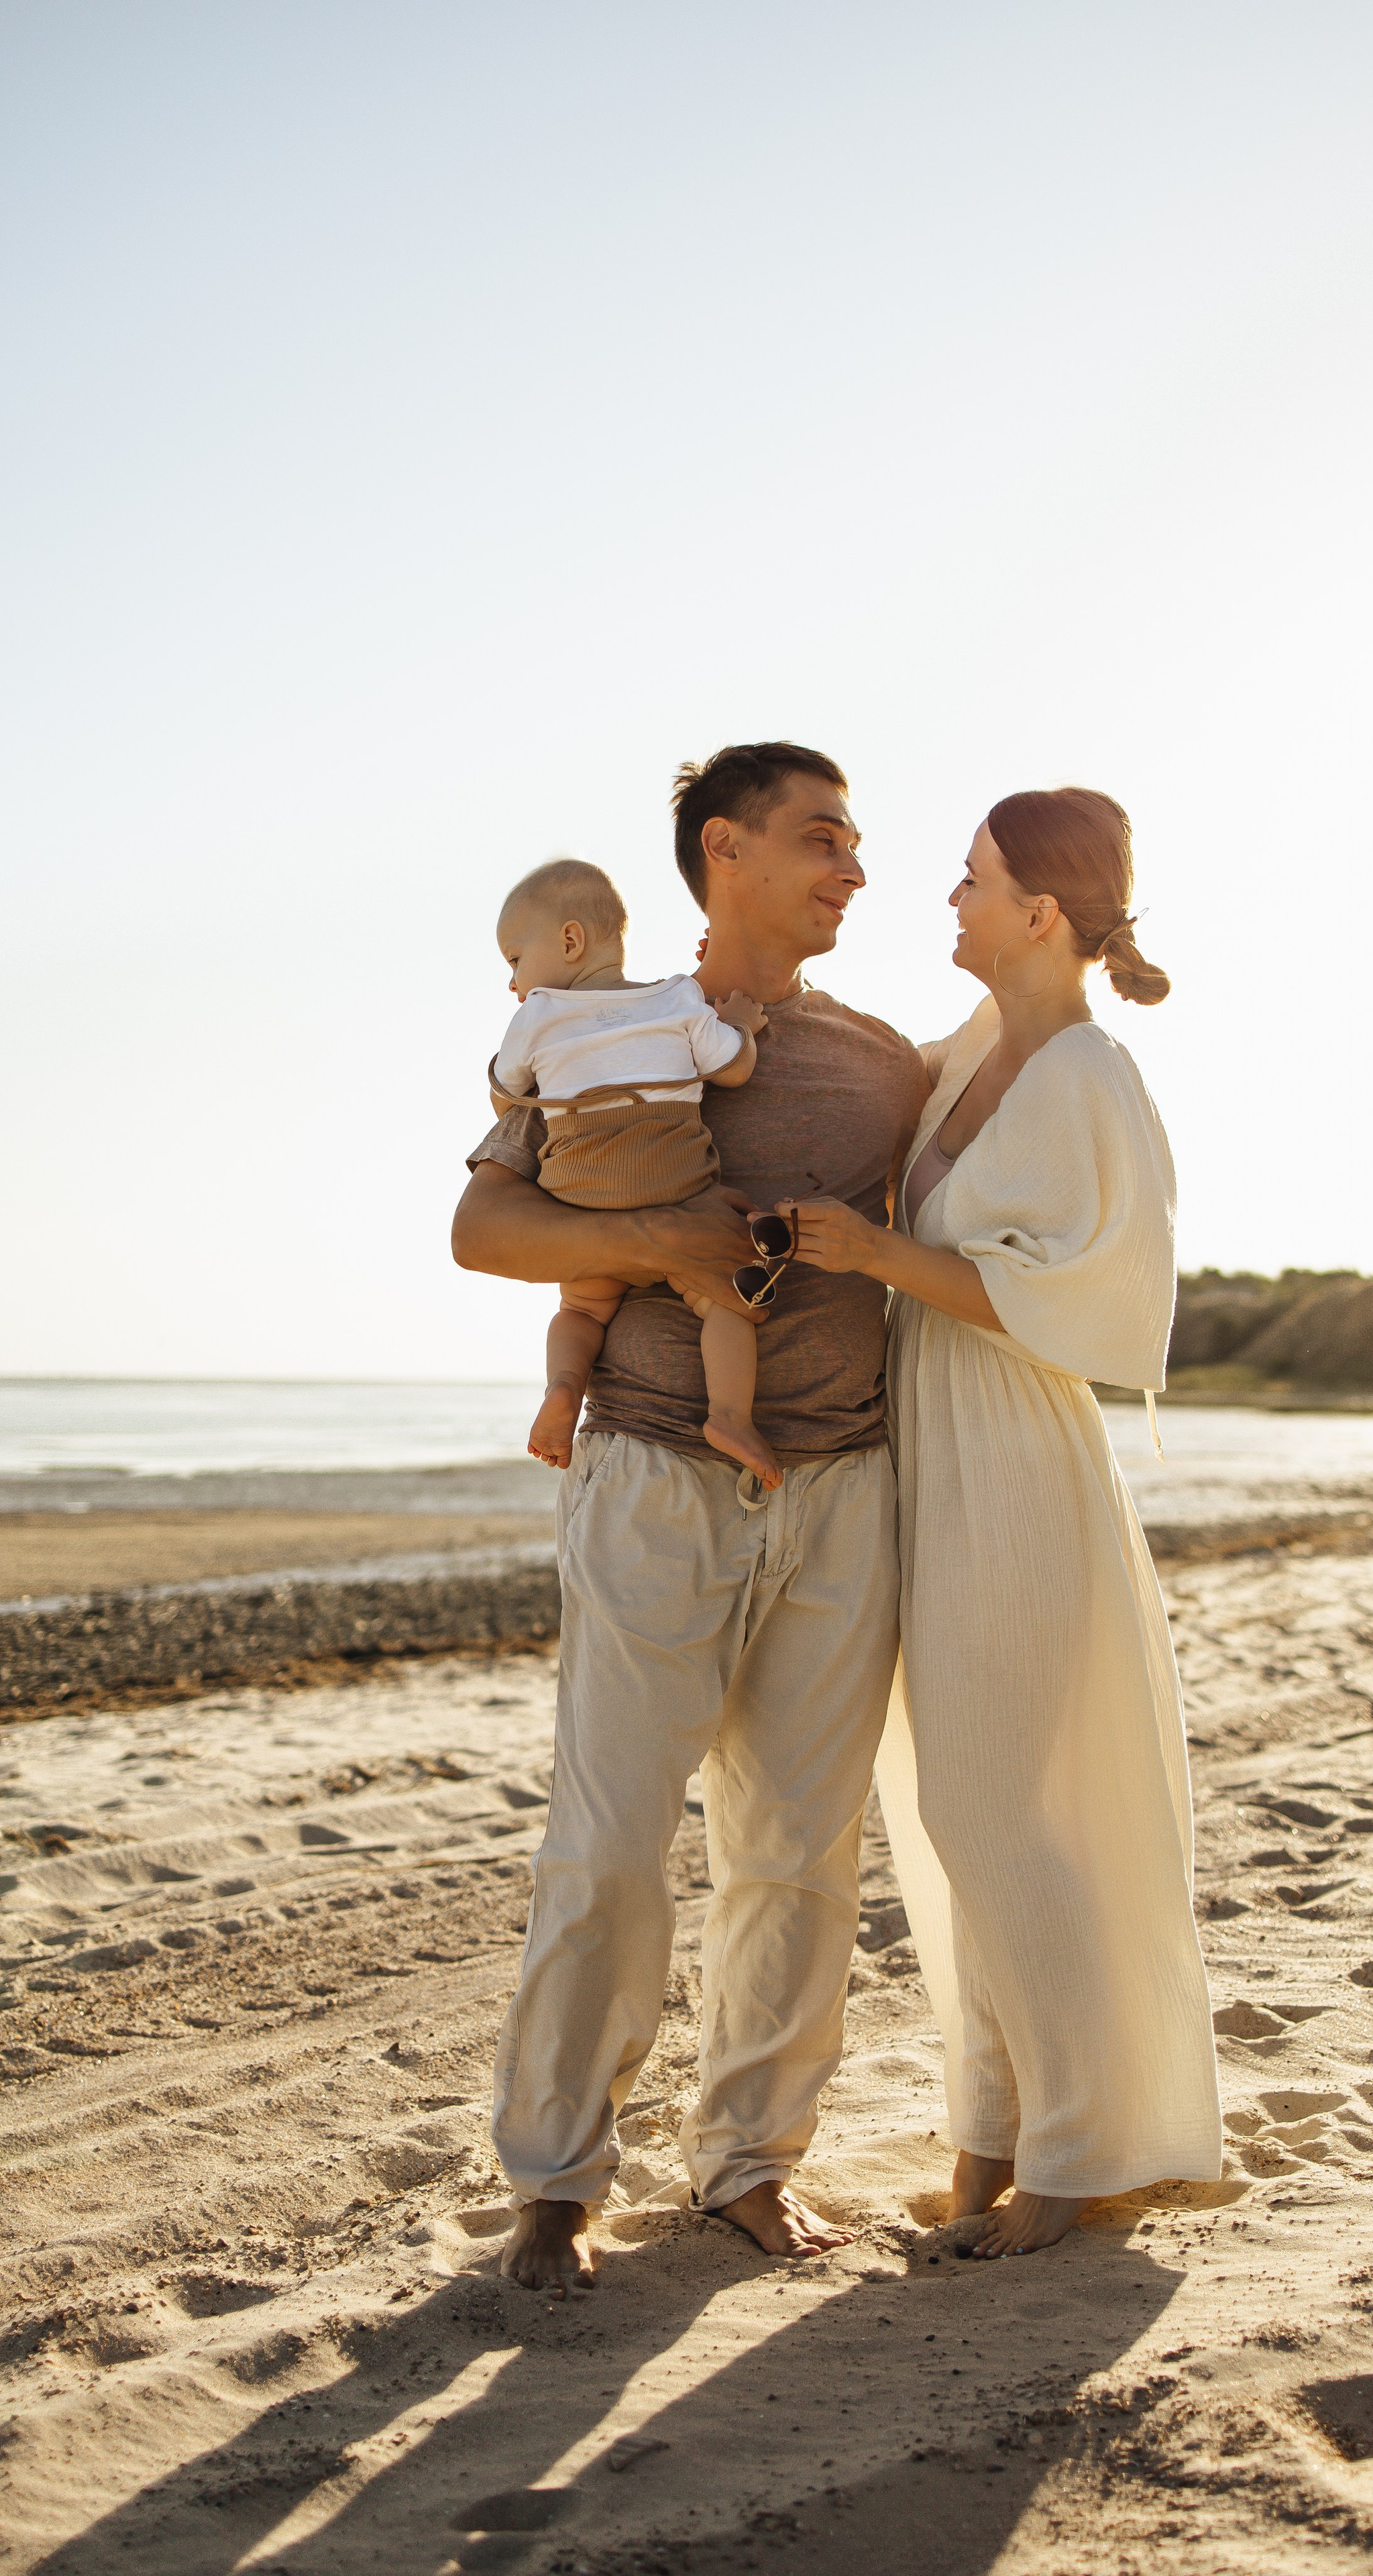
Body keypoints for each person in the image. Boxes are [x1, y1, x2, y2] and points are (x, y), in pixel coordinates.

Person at [451, 743, 929, 2292]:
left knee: (796, 1850)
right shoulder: (597, 1023)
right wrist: (664, 1232)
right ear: (723, 848)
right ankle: (552, 2177)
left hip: (842, 1484)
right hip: (652, 1469)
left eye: (855, 842)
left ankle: (747, 2165)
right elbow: (483, 1225)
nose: (850, 867)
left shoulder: (888, 1065)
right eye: (820, 837)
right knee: (606, 1847)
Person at [789, 787, 1223, 2258]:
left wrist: (877, 1256)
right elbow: (853, 1081)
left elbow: (1100, 1310)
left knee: (992, 1802)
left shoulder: (1092, 1076)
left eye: (970, 882)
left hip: (1017, 1455)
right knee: (946, 1805)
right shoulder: (973, 1049)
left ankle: (1076, 2159)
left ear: (1043, 913)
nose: (950, 904)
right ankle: (992, 2138)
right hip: (924, 1443)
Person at [487, 855, 777, 1486]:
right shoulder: (677, 997)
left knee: (582, 1313)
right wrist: (744, 1027)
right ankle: (730, 1415)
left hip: (583, 1199)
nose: (512, 983)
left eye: (514, 960)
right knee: (727, 1303)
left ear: (570, 940)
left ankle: (565, 1386)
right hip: (675, 1186)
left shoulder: (535, 1017)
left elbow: (508, 1097)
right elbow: (733, 1068)